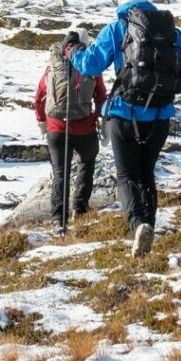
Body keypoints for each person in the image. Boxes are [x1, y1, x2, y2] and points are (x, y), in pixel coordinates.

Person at [69, 0, 181, 257]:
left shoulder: (118, 28)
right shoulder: (169, 31)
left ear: (122, 1)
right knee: (146, 174)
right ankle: (149, 226)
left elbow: (90, 65)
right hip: (160, 117)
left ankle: (139, 224)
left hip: (124, 115)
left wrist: (73, 51)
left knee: (126, 175)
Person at [34, 28, 106, 232]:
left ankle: (58, 220)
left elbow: (39, 97)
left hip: (56, 128)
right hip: (84, 128)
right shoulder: (89, 64)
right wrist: (102, 118)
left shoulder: (53, 65)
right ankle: (80, 209)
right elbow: (101, 95)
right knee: (86, 165)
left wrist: (42, 121)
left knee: (60, 173)